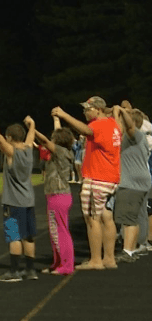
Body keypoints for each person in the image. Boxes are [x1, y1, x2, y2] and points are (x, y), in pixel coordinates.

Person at [53, 96, 121, 270]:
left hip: (97, 176)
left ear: (97, 110)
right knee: (107, 216)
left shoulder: (98, 124)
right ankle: (109, 258)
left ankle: (96, 260)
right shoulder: (113, 123)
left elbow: (85, 130)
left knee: (92, 218)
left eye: (87, 109)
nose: (85, 112)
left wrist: (64, 115)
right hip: (110, 176)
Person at [0, 100, 38, 281]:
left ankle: (14, 272)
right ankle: (30, 270)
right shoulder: (28, 150)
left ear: (10, 138)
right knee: (28, 236)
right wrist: (32, 125)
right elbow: (30, 138)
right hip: (28, 200)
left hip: (13, 202)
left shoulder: (12, 153)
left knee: (14, 235)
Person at [33, 115, 76, 275]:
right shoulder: (65, 151)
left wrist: (32, 128)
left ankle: (66, 265)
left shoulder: (59, 151)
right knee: (55, 231)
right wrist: (56, 119)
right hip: (58, 195)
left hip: (58, 195)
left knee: (60, 231)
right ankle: (58, 262)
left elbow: (44, 141)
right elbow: (54, 136)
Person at [112, 105, 152, 262]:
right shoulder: (138, 138)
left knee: (128, 218)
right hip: (141, 181)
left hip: (131, 183)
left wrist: (119, 112)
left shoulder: (134, 135)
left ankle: (128, 251)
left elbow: (125, 127)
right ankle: (135, 247)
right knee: (136, 217)